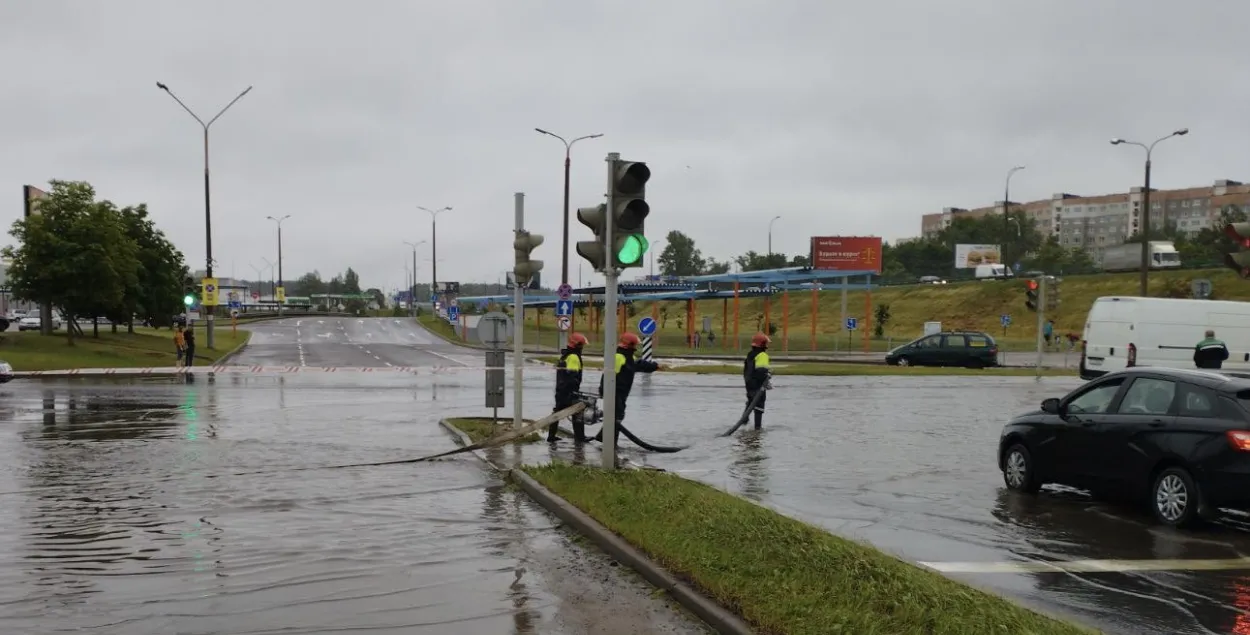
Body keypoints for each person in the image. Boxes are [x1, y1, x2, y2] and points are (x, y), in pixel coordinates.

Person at [592, 332, 660, 445]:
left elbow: (639, 365)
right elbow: (607, 375)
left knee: (617, 416)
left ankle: (603, 438)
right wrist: (604, 391)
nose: (636, 347)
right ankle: (610, 443)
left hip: (622, 392)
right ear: (629, 345)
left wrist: (655, 366)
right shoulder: (618, 357)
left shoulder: (628, 357)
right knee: (616, 417)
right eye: (635, 345)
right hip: (615, 392)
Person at [549, 332, 589, 443]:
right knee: (578, 412)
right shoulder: (573, 357)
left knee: (557, 413)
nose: (582, 348)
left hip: (561, 390)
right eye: (581, 345)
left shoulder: (565, 355)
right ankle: (580, 438)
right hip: (568, 392)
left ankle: (551, 436)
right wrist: (574, 391)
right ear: (577, 345)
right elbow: (572, 376)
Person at [744, 332, 773, 429]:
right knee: (759, 407)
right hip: (759, 386)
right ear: (763, 344)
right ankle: (757, 430)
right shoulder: (763, 355)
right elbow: (762, 371)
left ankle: (744, 420)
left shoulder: (750, 355)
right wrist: (767, 379)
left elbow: (747, 370)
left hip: (749, 384)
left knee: (751, 402)